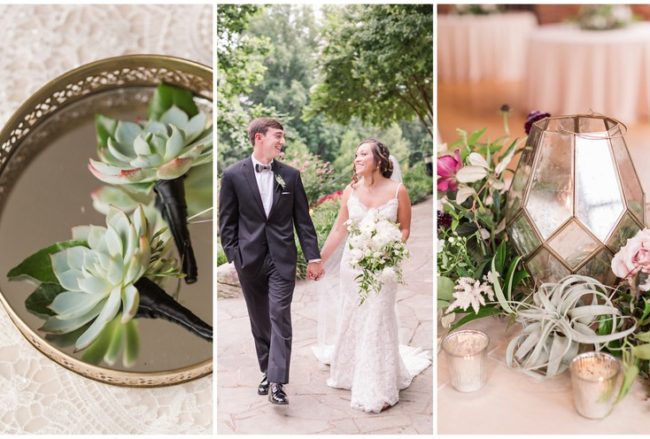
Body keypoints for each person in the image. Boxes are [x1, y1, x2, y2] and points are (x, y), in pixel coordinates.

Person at [314, 138, 431, 413]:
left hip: (383, 268)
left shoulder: (398, 190)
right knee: (354, 316)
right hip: (352, 266)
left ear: (378, 160)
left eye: (363, 153)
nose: (357, 158)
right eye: (356, 154)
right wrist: (319, 260)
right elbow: (339, 230)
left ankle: (376, 384)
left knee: (378, 317)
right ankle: (350, 371)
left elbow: (404, 229)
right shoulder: (350, 190)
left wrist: (388, 249)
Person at [219, 118, 324, 406]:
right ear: (258, 137)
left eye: (282, 137)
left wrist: (313, 257)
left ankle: (277, 381)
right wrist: (234, 256)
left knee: (279, 314)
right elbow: (226, 222)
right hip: (248, 260)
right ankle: (266, 370)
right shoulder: (232, 176)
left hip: (282, 259)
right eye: (277, 136)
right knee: (260, 320)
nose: (282, 141)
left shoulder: (290, 176)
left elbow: (303, 221)